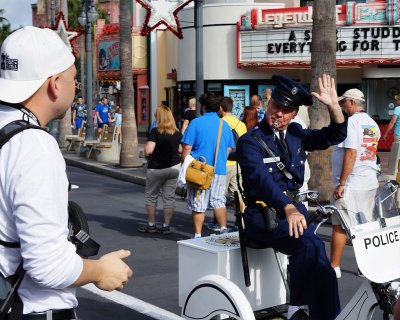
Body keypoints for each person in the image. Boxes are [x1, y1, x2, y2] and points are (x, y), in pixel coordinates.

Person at [0, 26, 132, 319]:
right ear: (55, 84)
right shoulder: (33, 145)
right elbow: (47, 265)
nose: (76, 87)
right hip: (32, 309)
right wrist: (102, 271)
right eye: (74, 78)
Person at [237, 74, 347, 320]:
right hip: (263, 216)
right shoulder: (250, 141)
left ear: (294, 114)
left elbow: (333, 136)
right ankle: (299, 310)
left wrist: (333, 106)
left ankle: (330, 315)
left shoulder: (296, 133)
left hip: (293, 214)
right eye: (276, 106)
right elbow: (260, 180)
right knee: (309, 245)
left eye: (286, 110)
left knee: (324, 264)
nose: (279, 113)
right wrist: (287, 207)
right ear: (269, 104)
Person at [330, 88, 381, 279]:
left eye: (344, 102)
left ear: (351, 103)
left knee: (339, 226)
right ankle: (365, 266)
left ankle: (333, 267)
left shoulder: (351, 122)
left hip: (352, 183)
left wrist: (342, 183)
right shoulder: (372, 123)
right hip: (369, 180)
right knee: (364, 225)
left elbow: (351, 152)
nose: (342, 106)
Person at [181, 92, 235, 238]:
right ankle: (223, 229)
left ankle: (198, 234)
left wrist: (184, 167)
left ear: (202, 107)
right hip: (219, 170)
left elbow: (187, 148)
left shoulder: (196, 123)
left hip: (200, 170)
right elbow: (229, 148)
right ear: (218, 107)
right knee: (219, 201)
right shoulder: (224, 125)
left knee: (199, 203)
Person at [138, 105, 182, 235]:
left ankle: (151, 224)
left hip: (156, 168)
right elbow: (180, 149)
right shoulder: (178, 133)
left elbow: (149, 150)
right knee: (169, 197)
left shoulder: (155, 132)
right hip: (174, 167)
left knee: (151, 196)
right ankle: (166, 225)